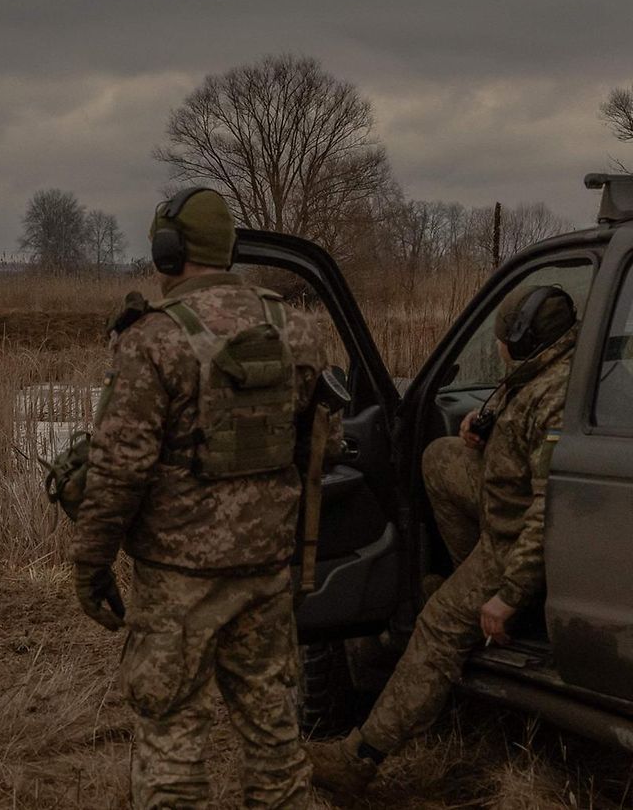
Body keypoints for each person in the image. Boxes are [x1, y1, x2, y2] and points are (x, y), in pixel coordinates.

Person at [70, 187, 334, 808]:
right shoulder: (295, 329)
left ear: (168, 251)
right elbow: (321, 446)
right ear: (230, 248)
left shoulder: (155, 339)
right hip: (266, 571)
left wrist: (92, 563)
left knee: (172, 738)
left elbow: (117, 469)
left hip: (178, 581)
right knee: (275, 735)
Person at [307, 284, 577, 793]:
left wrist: (508, 593)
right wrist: (481, 427)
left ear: (520, 340)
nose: (498, 345)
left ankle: (360, 757)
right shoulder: (545, 370)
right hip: (503, 502)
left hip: (515, 539)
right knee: (439, 457)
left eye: (501, 336)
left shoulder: (555, 399)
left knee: (436, 625)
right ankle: (465, 579)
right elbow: (518, 441)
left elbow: (548, 510)